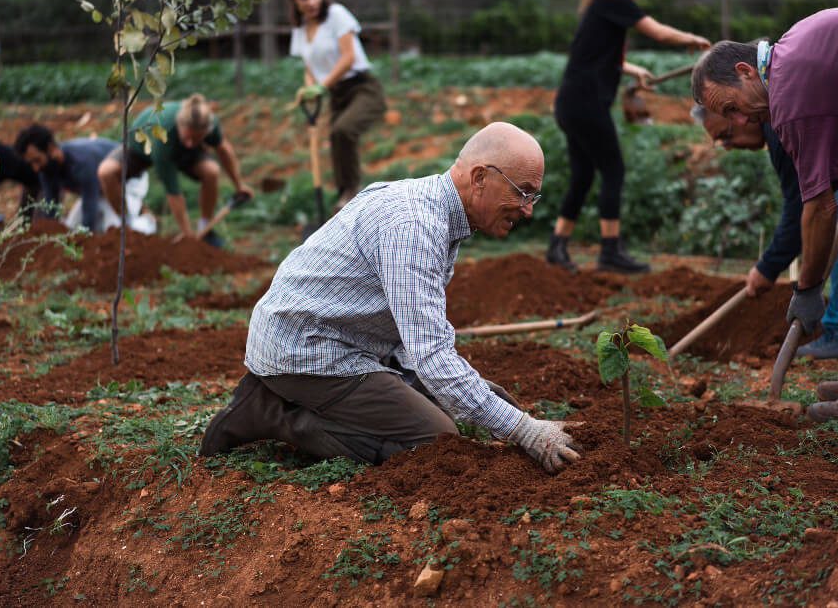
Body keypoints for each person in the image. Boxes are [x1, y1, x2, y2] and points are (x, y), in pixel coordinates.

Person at [200, 122, 582, 474]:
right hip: (307, 352)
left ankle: (296, 401)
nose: (529, 210)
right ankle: (269, 412)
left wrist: (522, 421)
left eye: (535, 195)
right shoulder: (413, 228)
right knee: (434, 438)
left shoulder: (436, 213)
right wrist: (523, 431)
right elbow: (432, 357)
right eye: (523, 193)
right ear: (480, 178)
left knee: (468, 397)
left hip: (351, 342)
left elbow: (423, 349)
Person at [691, 7, 838, 422]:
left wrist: (807, 289)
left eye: (732, 109)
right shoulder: (789, 54)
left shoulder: (790, 97)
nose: (743, 119)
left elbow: (819, 206)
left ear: (747, 70)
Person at [692, 106, 838, 362]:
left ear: (737, 115)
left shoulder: (776, 124)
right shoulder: (777, 114)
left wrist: (768, 267)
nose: (726, 145)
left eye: (725, 135)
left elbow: (802, 210)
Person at [546, 0, 710, 274]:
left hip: (570, 103)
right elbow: (658, 32)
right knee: (614, 170)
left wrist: (634, 71)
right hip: (586, 104)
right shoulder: (615, 1)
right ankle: (610, 251)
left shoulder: (600, 5)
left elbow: (599, 55)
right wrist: (694, 39)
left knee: (583, 175)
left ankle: (557, 245)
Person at [286, 0, 387, 213]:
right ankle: (344, 197)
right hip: (335, 95)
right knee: (334, 138)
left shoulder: (336, 15)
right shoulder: (299, 30)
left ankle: (352, 193)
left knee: (343, 131)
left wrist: (321, 86)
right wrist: (309, 89)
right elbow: (309, 68)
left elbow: (349, 58)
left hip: (362, 87)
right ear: (294, 1)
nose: (311, 2)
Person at [96, 94, 252, 246]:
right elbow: (174, 193)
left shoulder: (210, 124)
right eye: (188, 137)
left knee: (211, 171)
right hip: (141, 148)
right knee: (106, 172)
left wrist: (239, 185)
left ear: (206, 132)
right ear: (179, 125)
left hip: (183, 154)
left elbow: (223, 150)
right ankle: (128, 227)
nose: (191, 143)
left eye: (197, 139)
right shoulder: (164, 135)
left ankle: (205, 228)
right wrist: (187, 234)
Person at [15, 125, 153, 234]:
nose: (35, 168)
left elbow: (89, 210)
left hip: (128, 181)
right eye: (31, 163)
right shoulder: (46, 169)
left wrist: (85, 242)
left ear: (51, 149)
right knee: (72, 228)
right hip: (100, 190)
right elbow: (51, 208)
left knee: (117, 229)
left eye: (37, 160)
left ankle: (147, 225)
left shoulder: (80, 162)